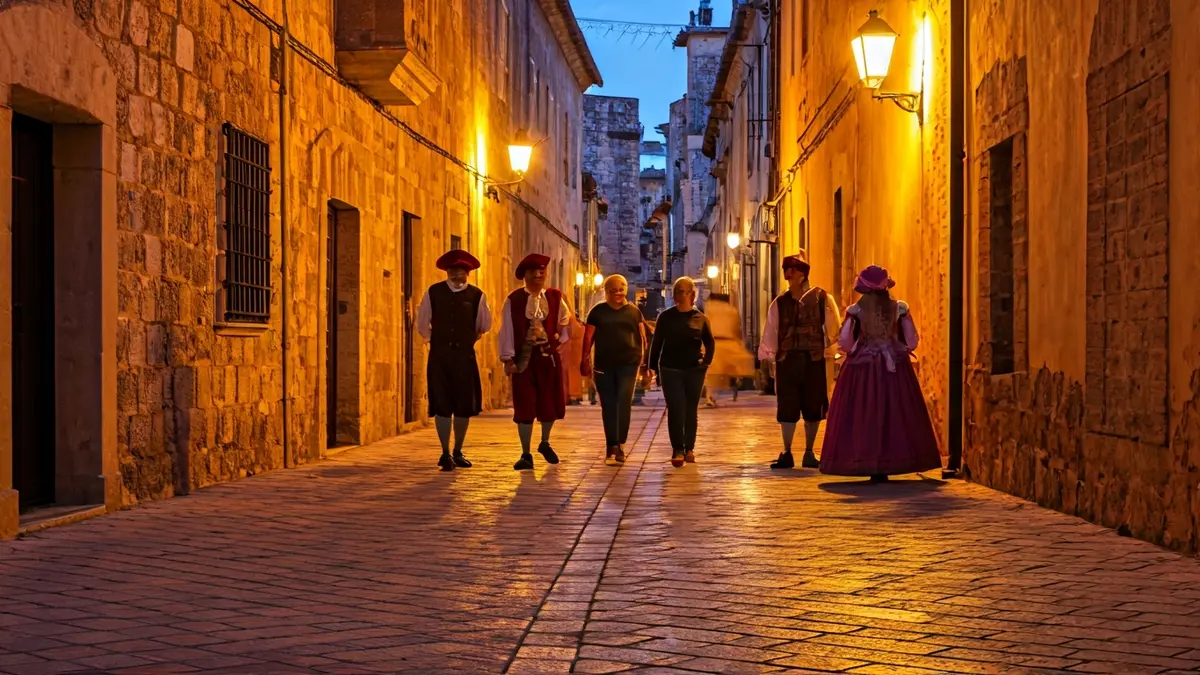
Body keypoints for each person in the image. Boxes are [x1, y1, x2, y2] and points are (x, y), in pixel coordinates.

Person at [821, 266, 942, 481]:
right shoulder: (900, 308)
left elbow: (847, 343)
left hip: (862, 368)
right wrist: (896, 347)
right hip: (893, 368)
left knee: (863, 413)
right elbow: (912, 340)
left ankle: (867, 460)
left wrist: (859, 348)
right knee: (894, 411)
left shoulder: (855, 310)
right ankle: (890, 460)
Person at [758, 252, 841, 469]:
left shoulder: (823, 298)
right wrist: (770, 358)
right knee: (787, 406)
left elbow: (834, 330)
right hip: (787, 362)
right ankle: (786, 452)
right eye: (787, 271)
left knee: (814, 407)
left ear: (802, 274)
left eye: (792, 271)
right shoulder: (779, 303)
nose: (788, 276)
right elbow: (771, 331)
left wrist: (830, 354)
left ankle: (809, 452)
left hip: (814, 361)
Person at [417, 249, 492, 471]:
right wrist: (437, 342)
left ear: (467, 273)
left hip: (464, 357)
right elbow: (423, 324)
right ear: (447, 271)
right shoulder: (433, 293)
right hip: (440, 357)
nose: (456, 274)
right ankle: (444, 452)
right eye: (452, 270)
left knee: (462, 405)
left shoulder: (477, 296)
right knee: (441, 404)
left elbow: (483, 325)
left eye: (460, 270)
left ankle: (458, 450)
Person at [498, 253, 572, 471]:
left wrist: (559, 340)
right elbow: (507, 330)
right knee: (525, 405)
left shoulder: (555, 297)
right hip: (523, 361)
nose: (539, 275)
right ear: (526, 276)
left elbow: (565, 322)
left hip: (547, 359)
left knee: (549, 402)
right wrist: (508, 358)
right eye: (534, 272)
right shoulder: (515, 300)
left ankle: (545, 442)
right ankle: (525, 453)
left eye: (542, 272)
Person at [648, 277, 715, 467]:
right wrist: (652, 367)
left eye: (684, 291)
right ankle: (677, 448)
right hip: (670, 369)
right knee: (676, 408)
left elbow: (710, 343)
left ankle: (690, 448)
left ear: (692, 295)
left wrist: (705, 363)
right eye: (677, 291)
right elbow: (657, 343)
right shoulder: (666, 317)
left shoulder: (700, 318)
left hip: (694, 370)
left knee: (690, 409)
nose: (680, 295)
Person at [581, 275, 646, 464]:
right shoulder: (597, 312)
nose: (618, 293)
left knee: (624, 401)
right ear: (606, 291)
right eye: (614, 290)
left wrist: (643, 361)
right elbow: (588, 338)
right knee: (608, 404)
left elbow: (641, 336)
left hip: (628, 363)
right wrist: (584, 359)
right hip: (604, 364)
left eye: (621, 289)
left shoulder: (634, 312)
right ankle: (611, 445)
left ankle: (621, 445)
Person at [702, 293, 755, 406]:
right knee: (730, 369)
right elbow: (736, 329)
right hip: (729, 343)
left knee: (712, 374)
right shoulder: (732, 310)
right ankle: (735, 383)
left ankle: (710, 397)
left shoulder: (709, 308)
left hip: (714, 343)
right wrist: (739, 342)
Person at [564, 312, 586, 405]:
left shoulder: (573, 323)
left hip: (574, 352)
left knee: (573, 373)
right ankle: (574, 395)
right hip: (575, 352)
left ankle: (574, 395)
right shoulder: (577, 324)